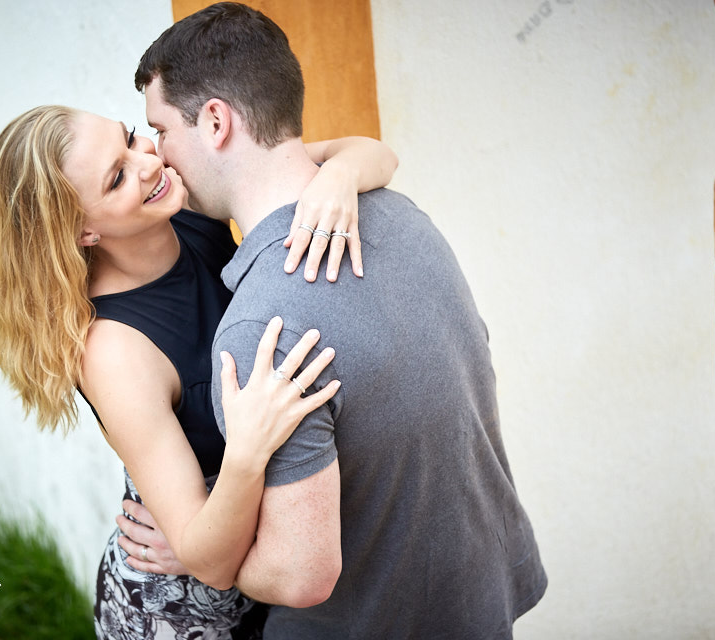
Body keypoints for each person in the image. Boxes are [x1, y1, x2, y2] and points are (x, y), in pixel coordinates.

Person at [128, 3, 548, 638]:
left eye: (160, 129)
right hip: (479, 604)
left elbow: (300, 576)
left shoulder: (261, 327)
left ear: (215, 121)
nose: (159, 154)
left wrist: (196, 558)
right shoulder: (407, 220)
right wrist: (348, 166)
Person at [0, 103, 398, 639]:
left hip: (266, 584)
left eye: (130, 138)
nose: (147, 161)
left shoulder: (187, 200)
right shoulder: (115, 352)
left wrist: (336, 180)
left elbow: (377, 153)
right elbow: (207, 558)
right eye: (118, 177)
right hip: (180, 617)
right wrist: (247, 453)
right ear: (82, 230)